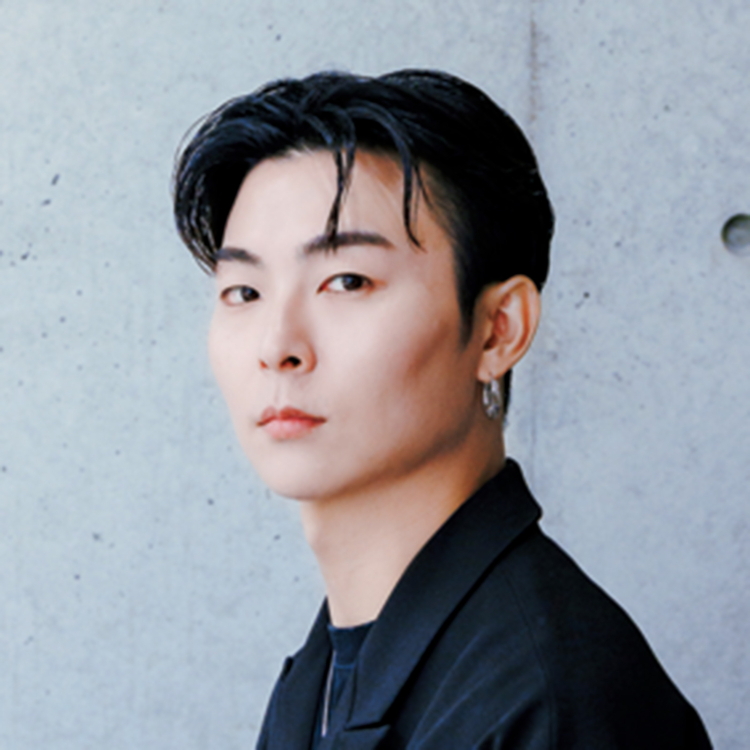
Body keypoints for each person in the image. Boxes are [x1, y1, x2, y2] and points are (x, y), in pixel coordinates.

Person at [172, 70, 712, 749]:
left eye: (347, 281)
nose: (278, 346)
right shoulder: (326, 672)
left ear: (497, 331)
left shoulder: (547, 701)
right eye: (244, 292)